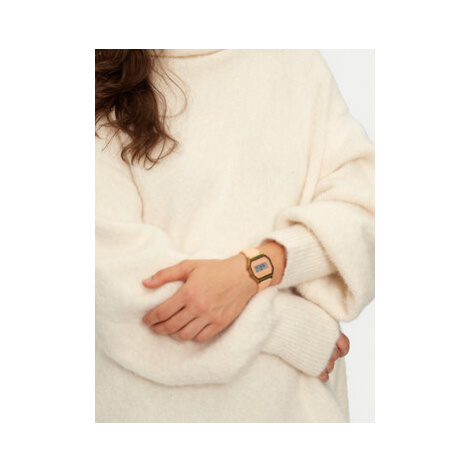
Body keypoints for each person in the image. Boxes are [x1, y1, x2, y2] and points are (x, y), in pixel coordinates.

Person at [95, 49, 374, 423]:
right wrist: (287, 326)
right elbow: (112, 280)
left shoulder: (294, 62)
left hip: (297, 412)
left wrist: (258, 268)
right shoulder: (99, 77)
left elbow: (368, 206)